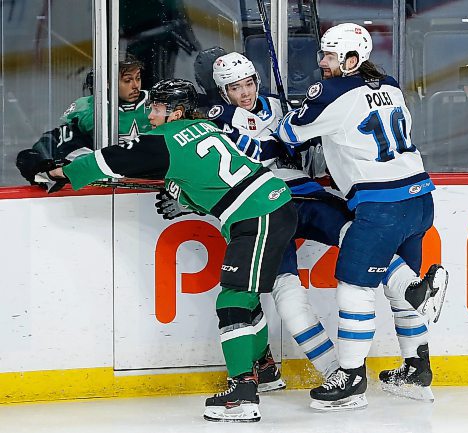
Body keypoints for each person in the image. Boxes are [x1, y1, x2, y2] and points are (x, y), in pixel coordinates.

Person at [36, 78, 297, 423]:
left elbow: (108, 161)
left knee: (231, 298)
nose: (151, 112)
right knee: (244, 296)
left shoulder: (164, 139)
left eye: (157, 107)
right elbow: (206, 175)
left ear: (175, 111)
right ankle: (264, 370)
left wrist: (57, 171)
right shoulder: (206, 127)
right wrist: (183, 196)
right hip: (270, 204)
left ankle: (242, 393)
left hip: (256, 214)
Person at [276, 23, 449, 410]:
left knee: (353, 286)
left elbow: (290, 133)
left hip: (380, 206)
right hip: (420, 199)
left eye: (330, 56)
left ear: (352, 60)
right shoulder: (389, 85)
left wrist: (296, 115)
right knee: (399, 288)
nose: (322, 62)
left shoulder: (332, 91)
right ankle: (416, 370)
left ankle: (351, 379)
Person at [208, 52, 349, 386]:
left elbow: (313, 137)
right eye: (235, 88)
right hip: (264, 207)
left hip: (304, 193)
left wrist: (301, 126)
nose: (244, 93)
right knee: (287, 291)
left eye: (248, 84)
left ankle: (408, 288)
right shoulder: (220, 119)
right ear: (223, 93)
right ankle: (332, 371)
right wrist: (283, 137)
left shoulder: (278, 104)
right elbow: (253, 155)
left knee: (359, 236)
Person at [16, 54, 152, 188]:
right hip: (106, 183)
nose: (135, 86)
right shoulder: (90, 108)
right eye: (127, 81)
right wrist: (42, 157)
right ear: (108, 83)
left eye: (138, 78)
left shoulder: (156, 104)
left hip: (152, 180)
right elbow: (60, 140)